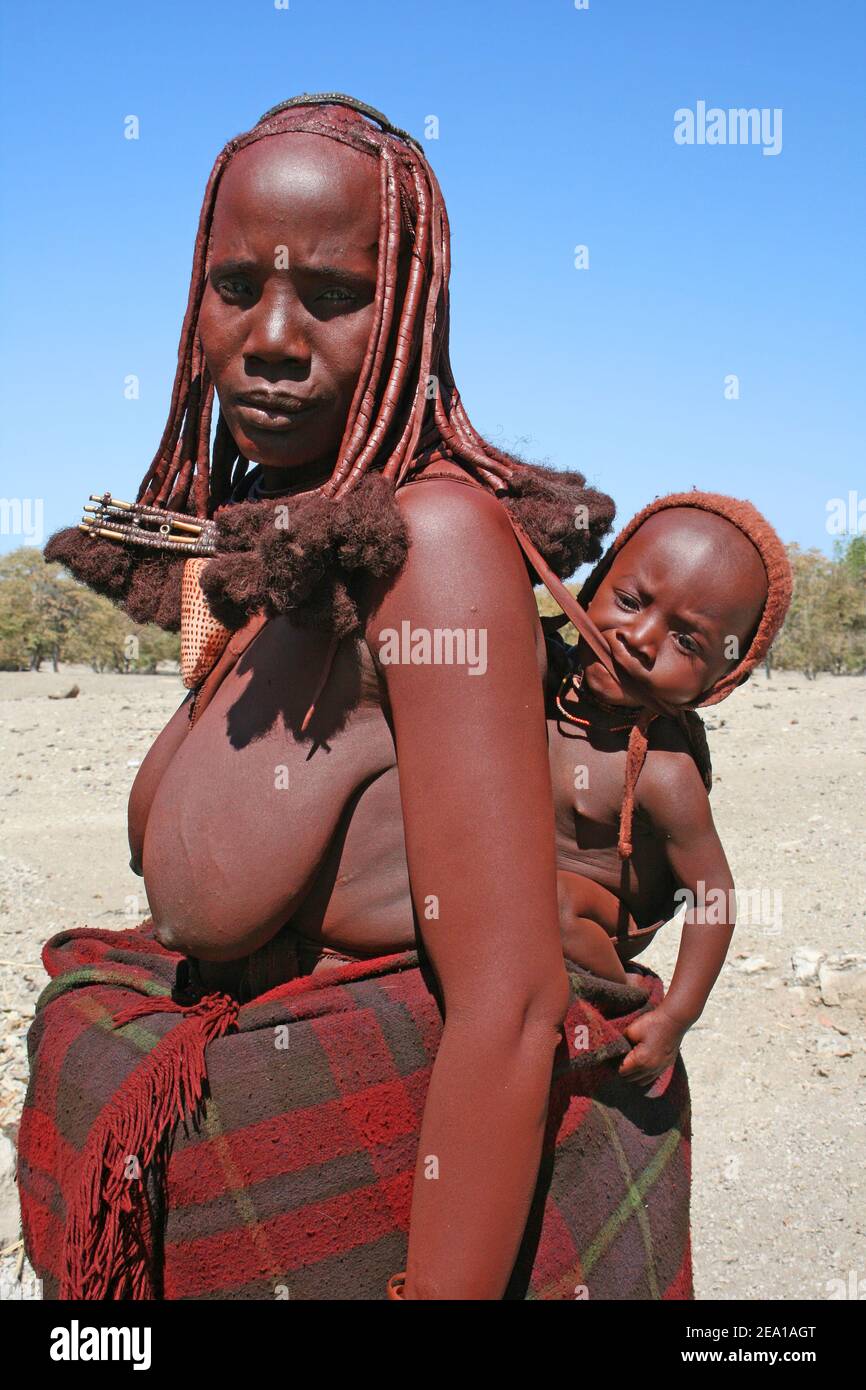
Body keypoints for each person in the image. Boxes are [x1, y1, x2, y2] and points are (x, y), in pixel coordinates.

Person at [40, 94, 629, 1301]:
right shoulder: (291, 549)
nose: (269, 335)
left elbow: (510, 1009)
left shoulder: (438, 543)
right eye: (234, 283)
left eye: (333, 294)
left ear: (410, 310)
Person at [544, 492, 792, 1087]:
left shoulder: (663, 770)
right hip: (524, 882)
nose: (639, 638)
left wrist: (678, 1015)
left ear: (723, 679)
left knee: (547, 903)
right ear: (594, 584)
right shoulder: (541, 681)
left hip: (603, 912)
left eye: (688, 641)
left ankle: (619, 994)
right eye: (628, 601)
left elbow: (714, 897)